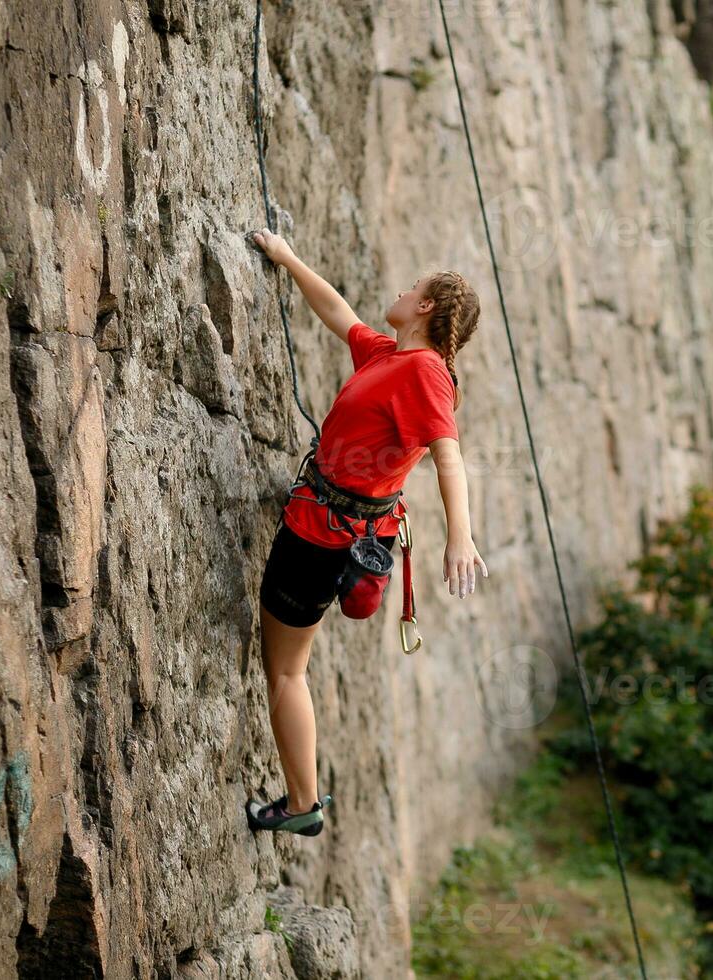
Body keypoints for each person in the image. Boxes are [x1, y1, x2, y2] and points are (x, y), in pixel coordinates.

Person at [244, 229, 488, 837]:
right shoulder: (390, 357)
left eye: (413, 287)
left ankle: (302, 804)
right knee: (286, 667)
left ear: (426, 308)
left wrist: (460, 534)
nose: (401, 291)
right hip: (320, 525)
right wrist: (288, 258)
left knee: (286, 672)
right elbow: (338, 312)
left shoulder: (425, 373)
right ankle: (302, 799)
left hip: (322, 538)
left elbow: (447, 452)